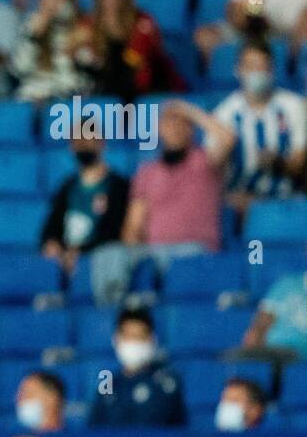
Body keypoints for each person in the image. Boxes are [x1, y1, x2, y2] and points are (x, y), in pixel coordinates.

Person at [91, 101, 233, 308]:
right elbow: (133, 224)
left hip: (194, 248)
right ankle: (114, 314)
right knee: (107, 255)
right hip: (153, 249)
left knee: (181, 260)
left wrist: (188, 111)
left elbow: (228, 138)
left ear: (190, 130)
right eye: (168, 124)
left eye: (181, 124)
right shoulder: (147, 171)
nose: (174, 129)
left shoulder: (205, 162)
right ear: (159, 130)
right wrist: (133, 252)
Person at [211, 41, 307, 209]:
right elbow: (212, 169)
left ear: (272, 71)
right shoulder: (224, 114)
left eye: (263, 67)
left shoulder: (293, 106)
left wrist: (277, 162)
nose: (257, 72)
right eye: (251, 66)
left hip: (288, 200)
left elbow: (299, 162)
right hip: (239, 200)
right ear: (238, 70)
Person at [40, 133, 129, 301]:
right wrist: (52, 243)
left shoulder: (118, 186)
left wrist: (80, 251)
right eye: (77, 141)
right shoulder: (67, 186)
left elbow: (115, 231)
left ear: (101, 143)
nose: (82, 145)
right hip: (65, 259)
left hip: (100, 259)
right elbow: (51, 226)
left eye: (87, 139)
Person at [71, 0, 186, 100]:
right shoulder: (88, 24)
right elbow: (76, 57)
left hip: (148, 85)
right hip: (108, 86)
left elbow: (134, 67)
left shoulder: (142, 22)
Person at [88, 307, 187, 427]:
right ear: (117, 339)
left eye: (140, 337)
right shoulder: (108, 382)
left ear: (152, 340)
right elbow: (95, 428)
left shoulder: (166, 383)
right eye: (129, 336)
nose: (134, 343)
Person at [11, 0, 89, 102]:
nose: (50, 1)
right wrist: (33, 38)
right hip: (35, 96)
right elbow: (19, 69)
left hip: (71, 97)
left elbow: (88, 72)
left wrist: (71, 51)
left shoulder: (81, 27)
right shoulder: (31, 25)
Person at [241, 264, 307, 360]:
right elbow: (260, 325)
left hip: (299, 355)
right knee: (233, 362)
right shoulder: (286, 285)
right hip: (271, 351)